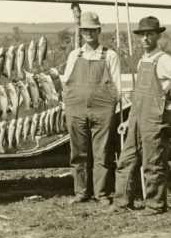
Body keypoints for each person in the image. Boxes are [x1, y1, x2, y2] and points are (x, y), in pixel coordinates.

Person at [51, 11, 121, 205]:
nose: (89, 33)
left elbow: (117, 87)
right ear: (81, 32)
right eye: (85, 30)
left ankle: (102, 194)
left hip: (102, 110)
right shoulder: (75, 54)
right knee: (79, 152)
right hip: (76, 109)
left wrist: (110, 107)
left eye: (92, 29)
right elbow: (67, 82)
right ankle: (81, 192)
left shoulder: (110, 55)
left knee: (102, 152)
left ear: (99, 31)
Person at [111, 16, 171, 215]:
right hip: (137, 118)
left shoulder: (164, 60)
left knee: (153, 163)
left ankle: (155, 205)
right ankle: (121, 203)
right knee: (126, 160)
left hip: (154, 119)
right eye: (142, 34)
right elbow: (138, 95)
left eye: (150, 34)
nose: (145, 38)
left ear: (157, 36)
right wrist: (129, 120)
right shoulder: (143, 60)